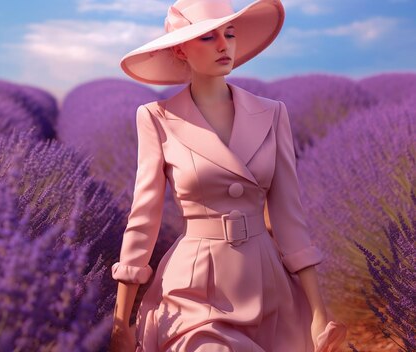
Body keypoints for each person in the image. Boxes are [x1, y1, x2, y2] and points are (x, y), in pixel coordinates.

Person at [109, 0, 348, 351]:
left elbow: (289, 219)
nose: (224, 45)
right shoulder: (155, 118)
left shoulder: (273, 114)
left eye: (230, 34)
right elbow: (143, 219)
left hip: (268, 288)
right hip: (194, 290)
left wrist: (318, 313)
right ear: (180, 50)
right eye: (208, 37)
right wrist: (121, 320)